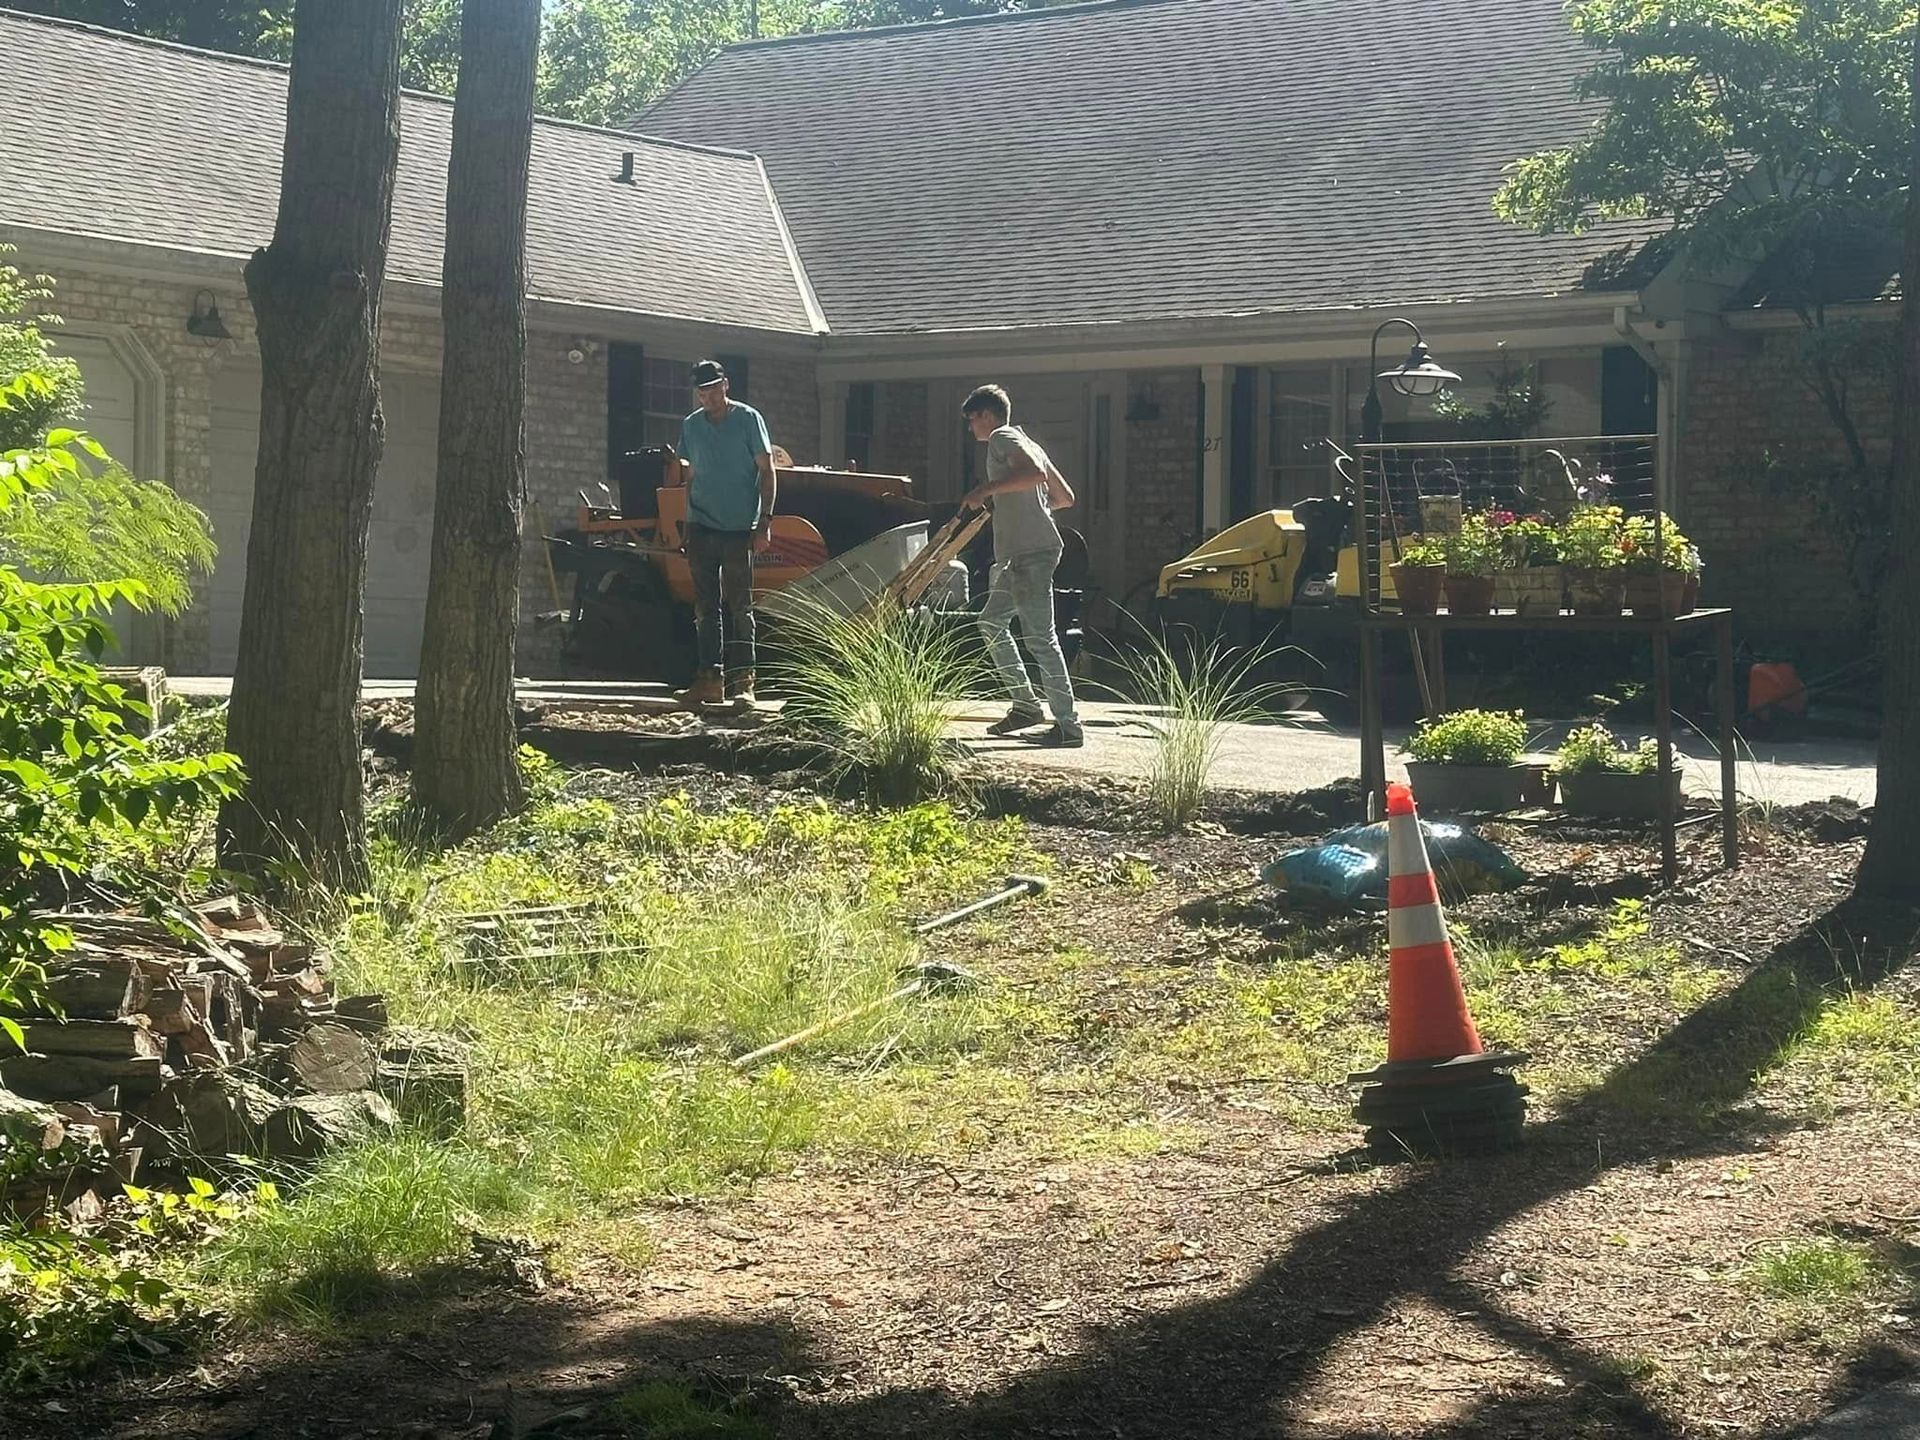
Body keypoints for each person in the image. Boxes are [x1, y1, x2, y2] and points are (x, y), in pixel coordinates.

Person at [960, 384, 1083, 747]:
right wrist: (1027, 513)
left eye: (972, 420)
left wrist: (985, 491)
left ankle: (1068, 726)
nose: (972, 428)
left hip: (1028, 555)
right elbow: (1063, 498)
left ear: (987, 415)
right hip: (1022, 554)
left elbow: (1034, 476)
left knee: (1040, 639)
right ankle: (1026, 706)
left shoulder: (1002, 437)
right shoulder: (1031, 442)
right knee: (991, 621)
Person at [675, 359, 777, 706]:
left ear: (726, 386)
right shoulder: (690, 427)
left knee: (740, 607)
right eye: (703, 391)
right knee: (705, 608)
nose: (710, 397)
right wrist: (687, 524)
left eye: (714, 389)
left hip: (739, 528)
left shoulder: (748, 419)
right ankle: (709, 680)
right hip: (701, 525)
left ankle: (744, 683)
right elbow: (689, 477)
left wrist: (764, 521)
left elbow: (767, 472)